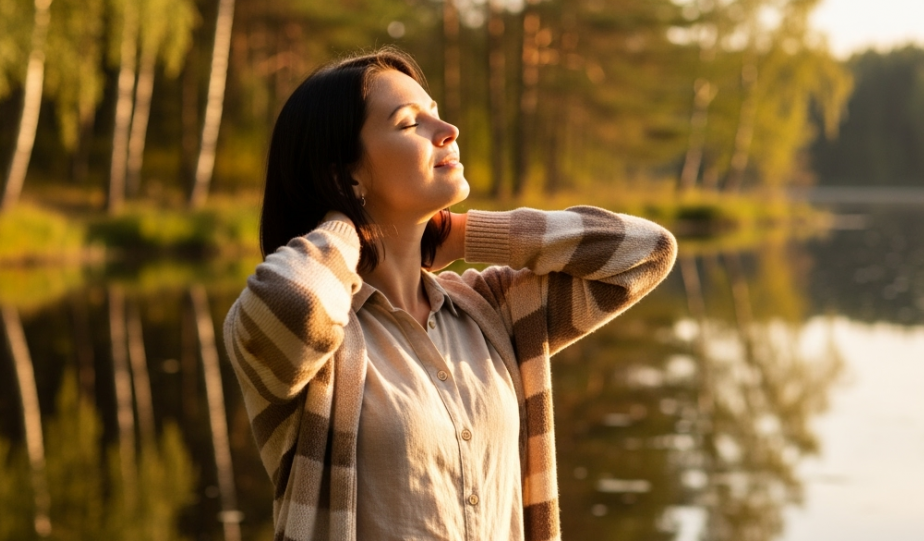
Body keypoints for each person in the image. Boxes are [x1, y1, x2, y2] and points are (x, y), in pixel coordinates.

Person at [223, 48, 677, 541]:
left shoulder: (494, 312)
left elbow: (646, 252)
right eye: (408, 123)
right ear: (345, 174)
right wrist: (343, 221)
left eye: (435, 112)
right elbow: (295, 303)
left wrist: (463, 234)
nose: (447, 130)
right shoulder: (311, 346)